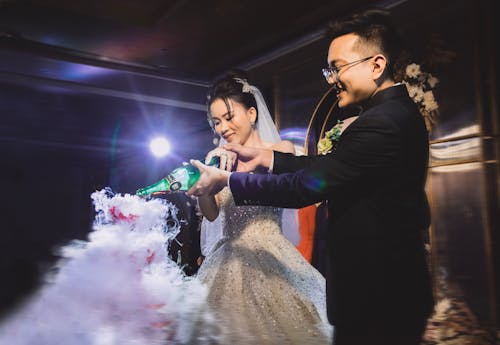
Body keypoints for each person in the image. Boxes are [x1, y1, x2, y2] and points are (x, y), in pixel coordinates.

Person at [188, 9, 434, 345]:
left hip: (380, 293)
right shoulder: (390, 115)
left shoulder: (382, 123)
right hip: (376, 291)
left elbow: (308, 185)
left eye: (337, 68)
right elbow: (323, 170)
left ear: (376, 65)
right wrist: (267, 157)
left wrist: (228, 181)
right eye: (329, 69)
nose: (331, 78)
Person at [194, 71, 333, 345]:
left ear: (252, 113)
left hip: (271, 252)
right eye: (216, 122)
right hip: (228, 257)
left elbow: (293, 189)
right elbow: (211, 213)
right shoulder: (218, 160)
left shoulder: (280, 150)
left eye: (229, 117)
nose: (223, 128)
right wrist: (202, 189)